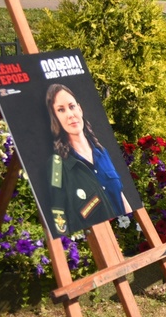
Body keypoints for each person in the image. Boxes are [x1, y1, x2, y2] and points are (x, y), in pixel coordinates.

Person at [45, 83, 130, 229]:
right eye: (61, 110)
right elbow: (61, 218)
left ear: (80, 109)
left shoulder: (102, 153)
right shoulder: (57, 166)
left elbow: (120, 196)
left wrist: (135, 225)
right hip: (94, 241)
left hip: (123, 233)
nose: (70, 114)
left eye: (72, 106)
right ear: (55, 118)